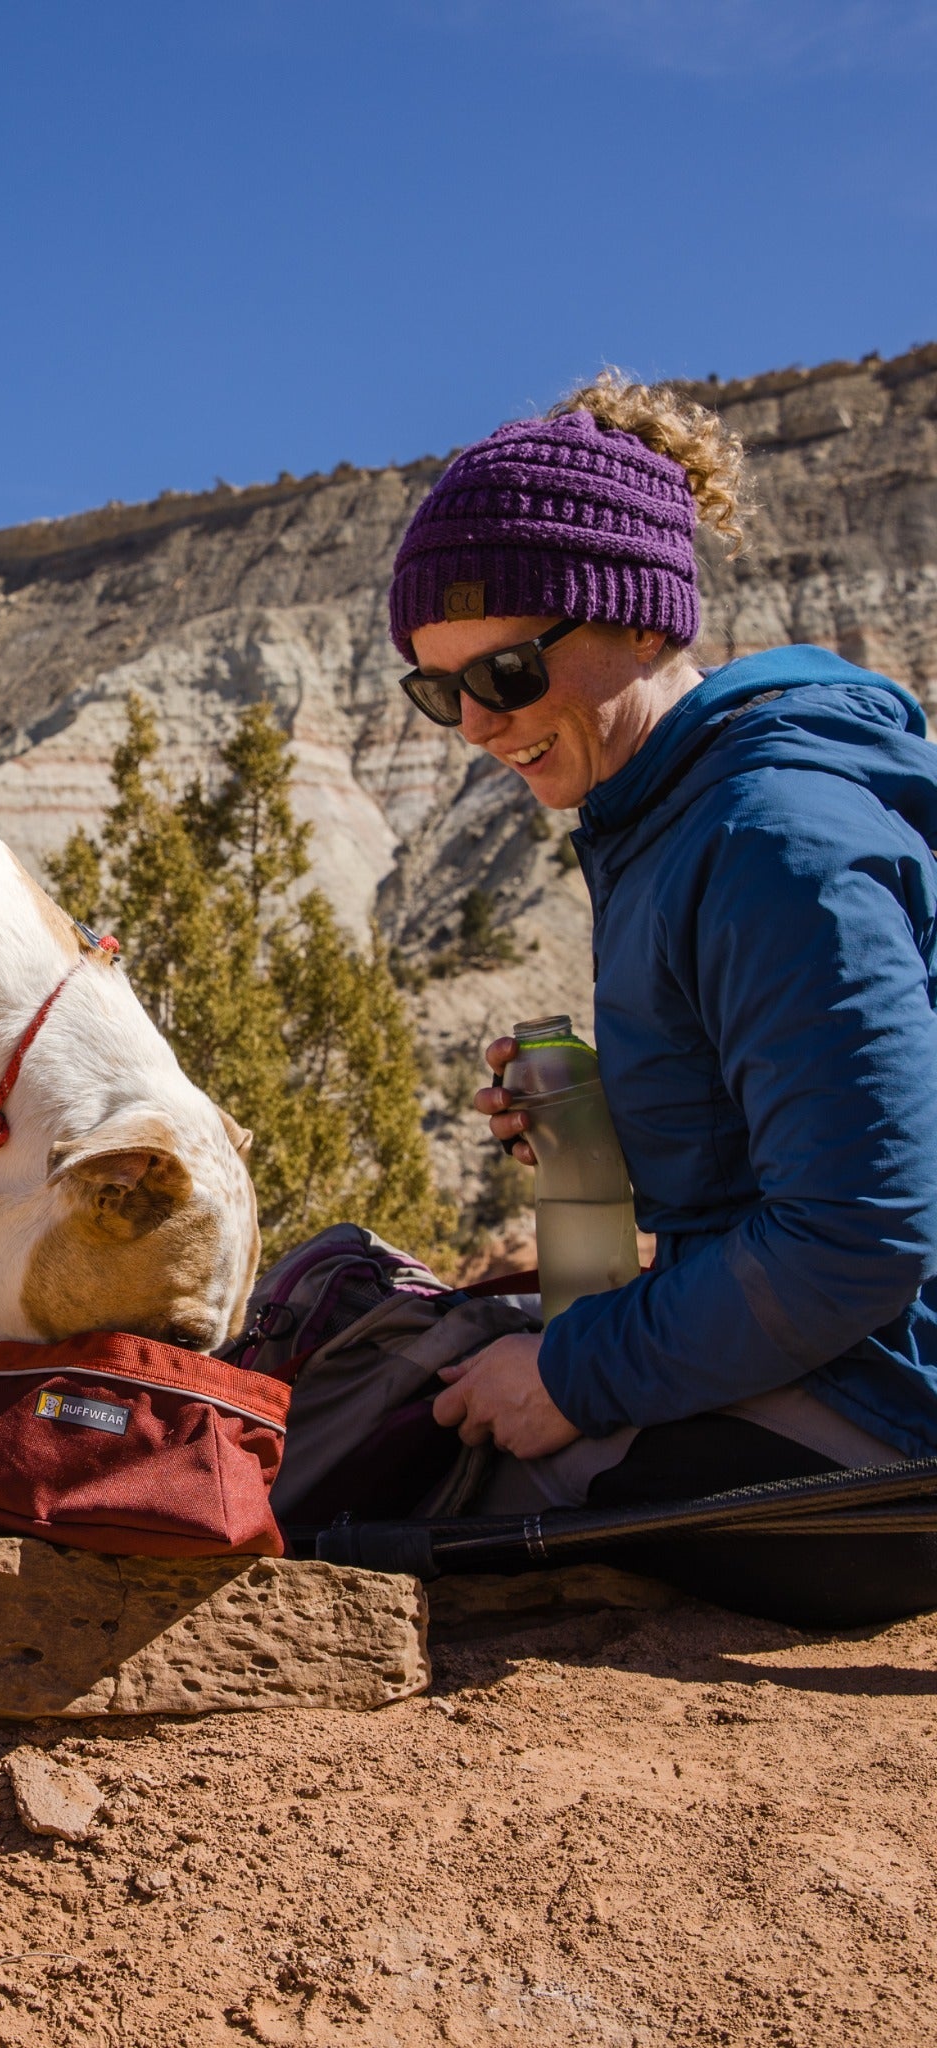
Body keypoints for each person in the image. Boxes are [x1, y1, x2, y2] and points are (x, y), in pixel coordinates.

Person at [389, 373, 937, 1625]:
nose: (476, 723)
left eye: (510, 670)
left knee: (416, 1453)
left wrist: (575, 1376)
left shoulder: (766, 838)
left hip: (886, 1447)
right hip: (844, 1379)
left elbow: (862, 1233)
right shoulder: (667, 815)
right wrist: (616, 1117)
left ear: (638, 624)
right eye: (437, 688)